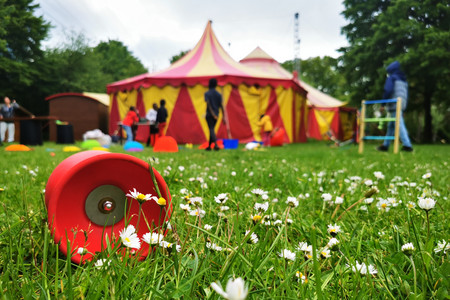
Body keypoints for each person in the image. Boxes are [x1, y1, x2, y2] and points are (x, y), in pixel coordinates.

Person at [377, 61, 413, 152]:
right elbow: (406, 95)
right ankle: (385, 145)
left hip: (394, 103)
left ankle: (407, 145)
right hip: (402, 103)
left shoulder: (391, 78)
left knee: (399, 124)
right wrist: (404, 108)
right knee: (391, 125)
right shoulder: (404, 80)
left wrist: (383, 104)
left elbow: (387, 90)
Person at [205, 78, 225, 151]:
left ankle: (215, 145)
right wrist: (224, 116)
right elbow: (221, 106)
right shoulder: (218, 94)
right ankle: (209, 146)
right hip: (217, 114)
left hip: (210, 115)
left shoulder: (207, 93)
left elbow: (208, 105)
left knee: (211, 129)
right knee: (212, 129)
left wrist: (212, 114)